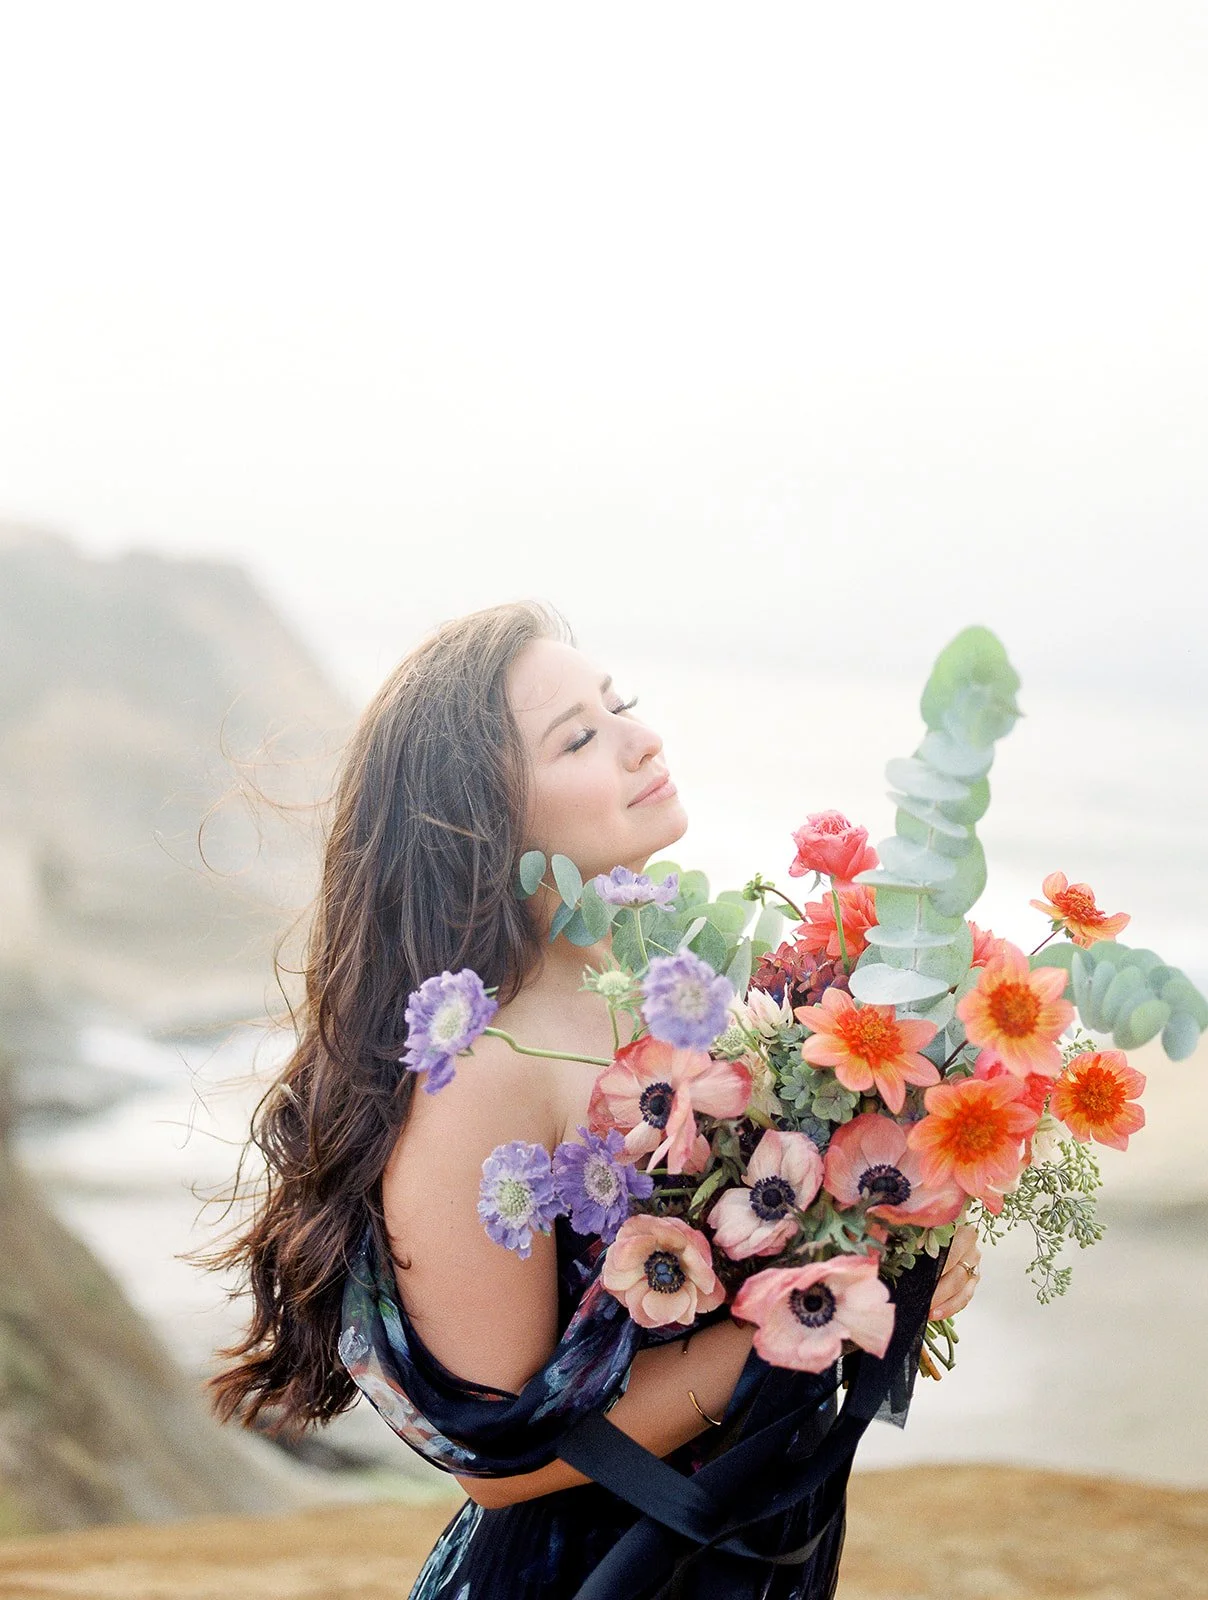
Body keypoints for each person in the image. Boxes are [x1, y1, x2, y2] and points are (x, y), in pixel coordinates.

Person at [201, 599, 982, 1600]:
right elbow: (498, 1459)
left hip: (746, 1558)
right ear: (488, 815)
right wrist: (805, 1314)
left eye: (621, 706)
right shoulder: (483, 1068)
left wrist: (915, 1231)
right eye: (579, 736)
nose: (640, 740)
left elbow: (801, 1223)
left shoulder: (691, 984)